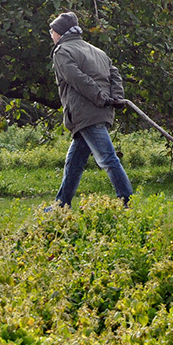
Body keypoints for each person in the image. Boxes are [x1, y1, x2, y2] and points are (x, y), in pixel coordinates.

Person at [49, 11, 133, 208]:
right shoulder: (98, 52)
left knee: (108, 158)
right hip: (98, 113)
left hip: (86, 114)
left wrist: (101, 97)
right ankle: (61, 205)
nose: (51, 35)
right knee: (74, 163)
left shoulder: (62, 52)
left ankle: (127, 200)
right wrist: (116, 97)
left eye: (52, 31)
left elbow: (77, 79)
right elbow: (115, 75)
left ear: (60, 33)